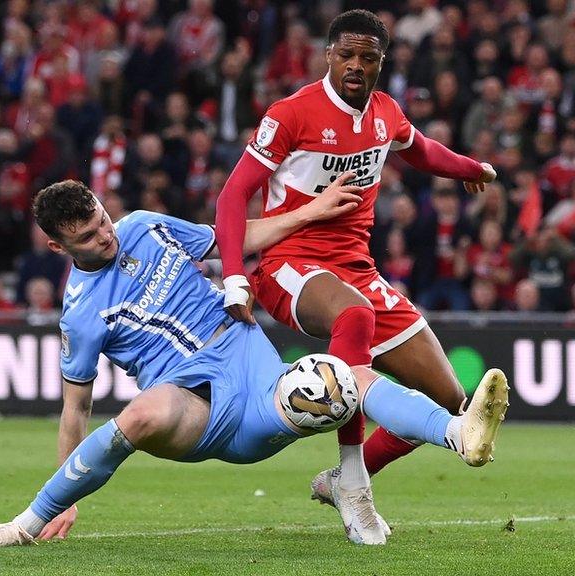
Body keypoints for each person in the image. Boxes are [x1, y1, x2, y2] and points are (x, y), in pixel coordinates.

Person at [0, 180, 509, 547]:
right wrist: (66, 494)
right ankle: (27, 524)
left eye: (103, 221)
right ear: (60, 248)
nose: (105, 236)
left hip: (254, 380)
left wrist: (312, 211)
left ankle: (460, 434)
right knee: (141, 413)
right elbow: (74, 409)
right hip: (191, 406)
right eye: (87, 237)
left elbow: (233, 237)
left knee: (341, 380)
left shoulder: (145, 225)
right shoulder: (79, 315)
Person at [213, 9, 501, 542]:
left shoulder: (386, 114)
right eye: (346, 54)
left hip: (356, 268)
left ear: (381, 63)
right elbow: (232, 195)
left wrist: (468, 168)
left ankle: (344, 477)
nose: (355, 65)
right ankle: (355, 485)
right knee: (355, 314)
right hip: (288, 265)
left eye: (367, 57)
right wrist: (234, 276)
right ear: (329, 55)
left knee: (449, 402)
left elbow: (422, 151)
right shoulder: (292, 113)